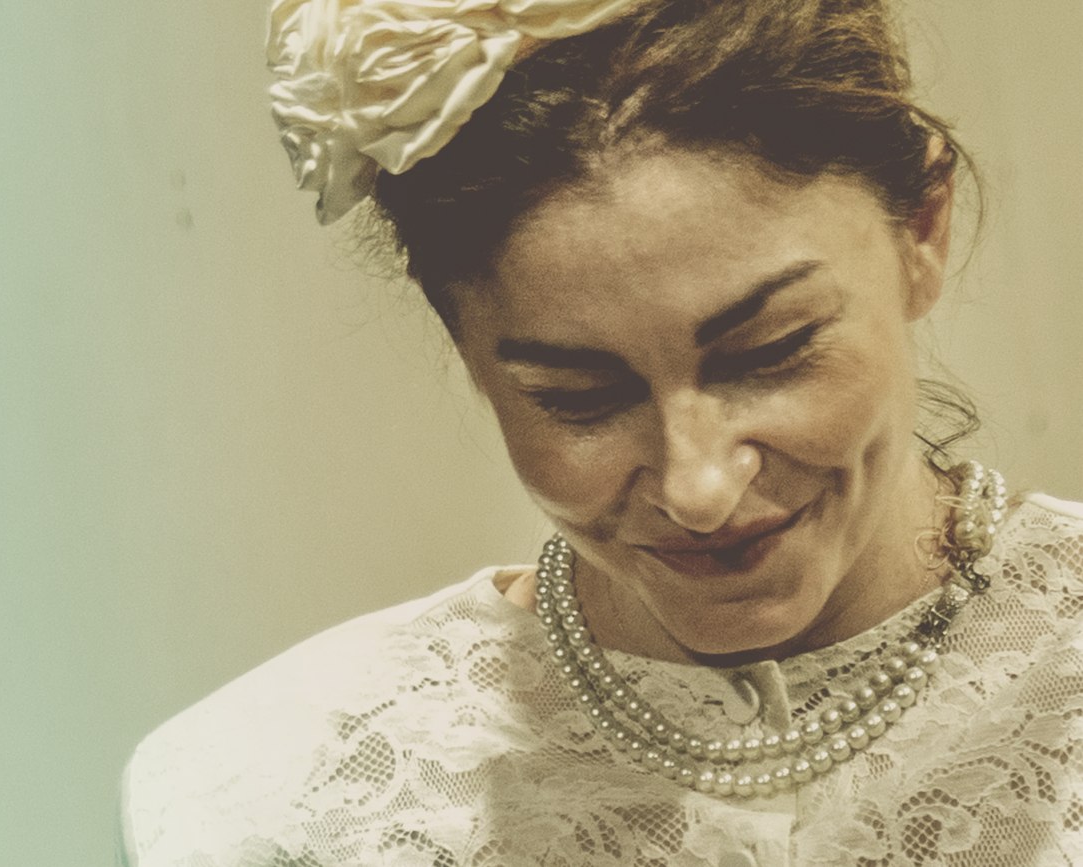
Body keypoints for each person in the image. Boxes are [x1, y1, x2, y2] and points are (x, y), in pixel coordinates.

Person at [120, 1, 1083, 864]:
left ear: (923, 228)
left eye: (769, 351)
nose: (698, 488)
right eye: (579, 399)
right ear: (466, 349)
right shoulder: (281, 795)